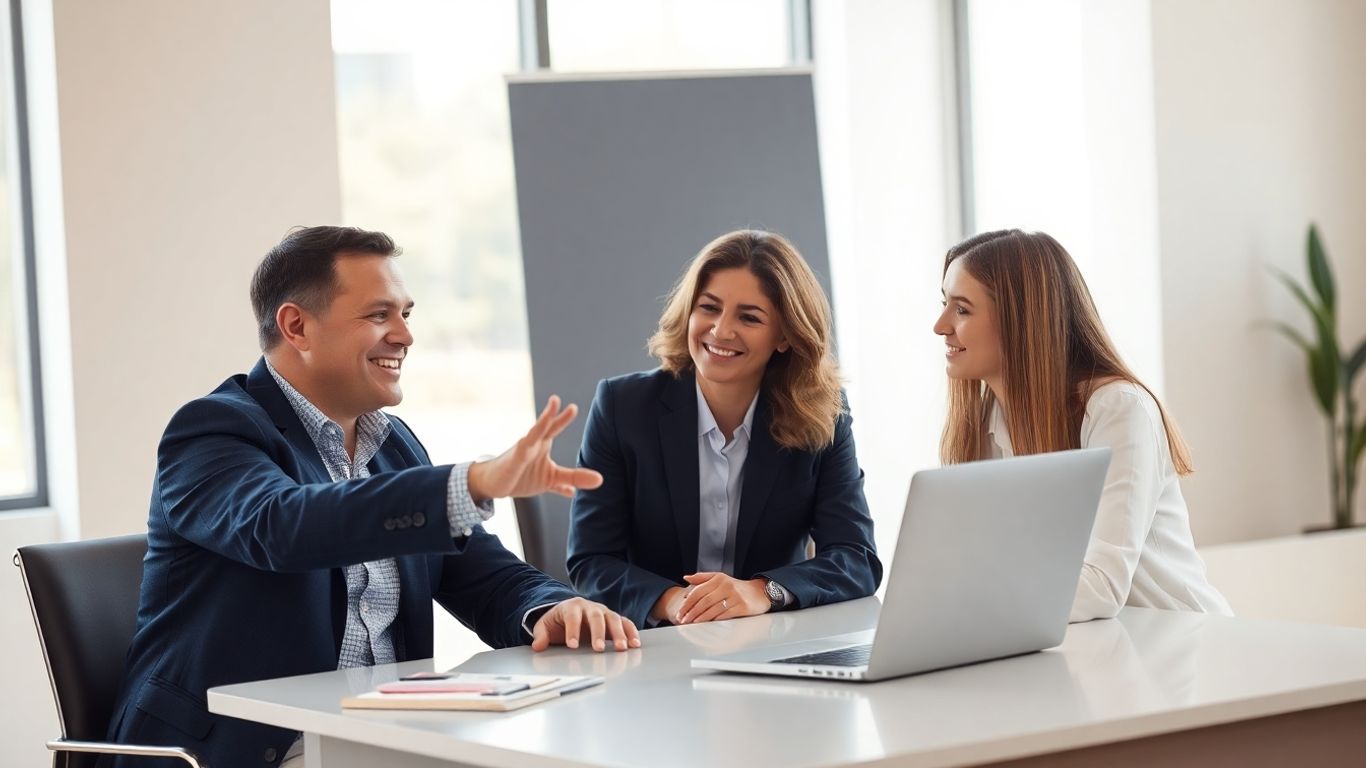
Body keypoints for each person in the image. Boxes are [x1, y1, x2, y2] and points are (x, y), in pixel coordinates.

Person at [103, 226, 639, 768]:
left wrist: (550, 608)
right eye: (379, 315)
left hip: (381, 737)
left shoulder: (393, 443)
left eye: (406, 314)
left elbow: (482, 573)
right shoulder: (213, 430)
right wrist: (471, 482)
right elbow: (283, 527)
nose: (405, 336)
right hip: (245, 749)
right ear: (297, 326)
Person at [567, 229, 882, 630]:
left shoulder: (823, 415)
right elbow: (591, 560)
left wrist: (761, 591)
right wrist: (675, 602)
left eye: (749, 317)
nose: (720, 330)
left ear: (785, 336)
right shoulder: (622, 406)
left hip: (771, 643)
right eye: (709, 308)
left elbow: (857, 559)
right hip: (655, 646)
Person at [933, 229, 1231, 622]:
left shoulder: (1117, 410)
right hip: (1094, 649)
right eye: (945, 305)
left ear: (1021, 319)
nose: (941, 326)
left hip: (1183, 647)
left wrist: (964, 606)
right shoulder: (987, 422)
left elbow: (1102, 586)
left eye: (962, 309)